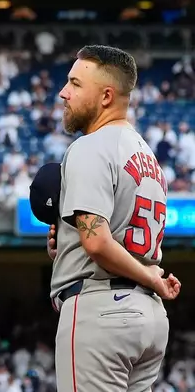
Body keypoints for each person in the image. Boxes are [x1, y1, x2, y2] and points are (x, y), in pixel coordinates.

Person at [47, 44, 181, 391]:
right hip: (147, 317)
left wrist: (154, 280)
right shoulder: (147, 155)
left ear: (106, 96)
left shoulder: (90, 146)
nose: (64, 93)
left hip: (102, 310)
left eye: (75, 84)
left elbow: (97, 242)